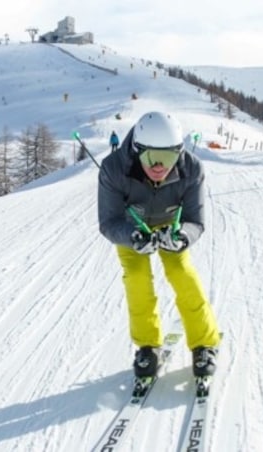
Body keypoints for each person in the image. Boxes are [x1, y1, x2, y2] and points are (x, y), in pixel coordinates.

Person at [98, 111, 221, 380]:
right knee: (137, 278)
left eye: (168, 157)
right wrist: (133, 237)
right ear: (136, 149)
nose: (159, 166)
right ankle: (147, 346)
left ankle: (204, 344)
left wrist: (181, 238)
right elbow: (109, 222)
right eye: (151, 157)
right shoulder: (114, 168)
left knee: (181, 273)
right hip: (132, 228)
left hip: (170, 225)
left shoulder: (191, 169)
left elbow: (195, 221)